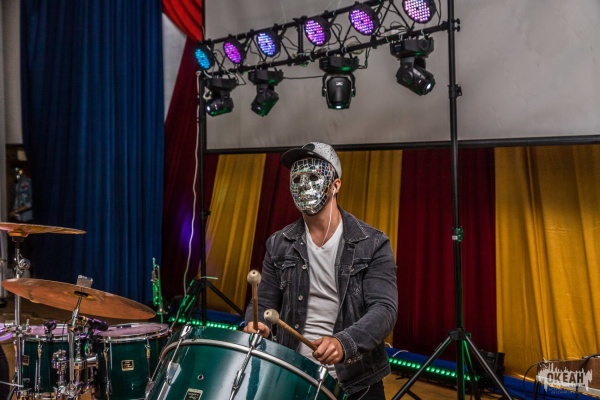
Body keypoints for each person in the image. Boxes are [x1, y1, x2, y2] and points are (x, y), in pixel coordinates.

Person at [243, 142, 398, 399]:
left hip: (356, 382)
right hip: (293, 372)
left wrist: (343, 343)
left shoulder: (372, 243)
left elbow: (384, 310)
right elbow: (264, 300)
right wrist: (256, 322)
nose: (304, 185)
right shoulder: (279, 243)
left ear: (335, 185)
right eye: (297, 179)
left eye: (314, 177)